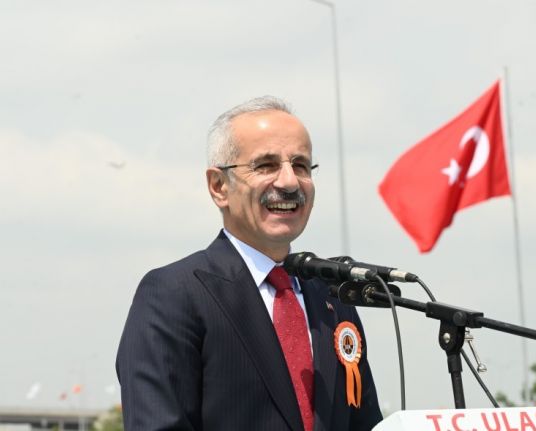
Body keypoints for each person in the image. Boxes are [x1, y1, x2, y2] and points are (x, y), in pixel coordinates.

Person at [116, 96, 383, 430]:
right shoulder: (174, 295)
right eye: (266, 165)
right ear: (219, 187)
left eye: (301, 165)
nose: (289, 182)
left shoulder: (333, 298)